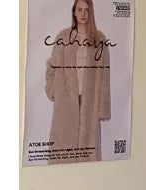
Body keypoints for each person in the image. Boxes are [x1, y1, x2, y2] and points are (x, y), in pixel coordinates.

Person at [44, 0, 111, 163]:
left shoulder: (99, 39)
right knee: (63, 151)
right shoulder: (63, 37)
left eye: (86, 10)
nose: (83, 14)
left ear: (91, 13)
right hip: (66, 101)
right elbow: (52, 67)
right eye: (79, 10)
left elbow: (104, 76)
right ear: (74, 12)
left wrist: (102, 107)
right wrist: (54, 91)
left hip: (90, 102)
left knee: (87, 153)